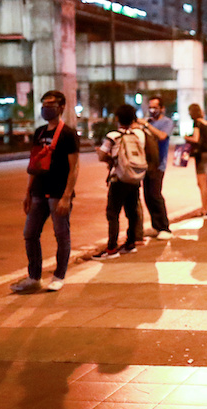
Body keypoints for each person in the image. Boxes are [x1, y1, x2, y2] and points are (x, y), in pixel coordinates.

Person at [10, 90, 80, 293]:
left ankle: (59, 276)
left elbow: (74, 167)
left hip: (58, 193)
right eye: (44, 103)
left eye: (51, 104)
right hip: (38, 192)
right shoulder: (39, 133)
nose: (46, 108)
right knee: (30, 233)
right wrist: (28, 192)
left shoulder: (68, 133)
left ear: (61, 107)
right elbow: (34, 164)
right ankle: (34, 277)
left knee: (61, 234)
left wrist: (67, 195)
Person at [93, 104, 146, 259]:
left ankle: (111, 248)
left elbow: (102, 155)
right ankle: (130, 243)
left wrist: (111, 160)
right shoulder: (139, 135)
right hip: (134, 178)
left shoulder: (113, 136)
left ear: (117, 118)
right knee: (132, 212)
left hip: (119, 179)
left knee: (113, 213)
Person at [142, 96, 173, 240]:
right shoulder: (148, 122)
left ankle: (164, 227)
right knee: (147, 196)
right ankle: (156, 226)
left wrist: (147, 126)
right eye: (150, 107)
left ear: (162, 108)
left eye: (155, 107)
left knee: (155, 194)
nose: (152, 110)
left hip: (158, 164)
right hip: (145, 164)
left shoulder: (167, 122)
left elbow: (162, 136)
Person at [185, 103, 207, 217]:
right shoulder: (205, 122)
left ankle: (204, 208)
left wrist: (186, 137)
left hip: (201, 155)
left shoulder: (196, 123)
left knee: (201, 183)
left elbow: (196, 139)